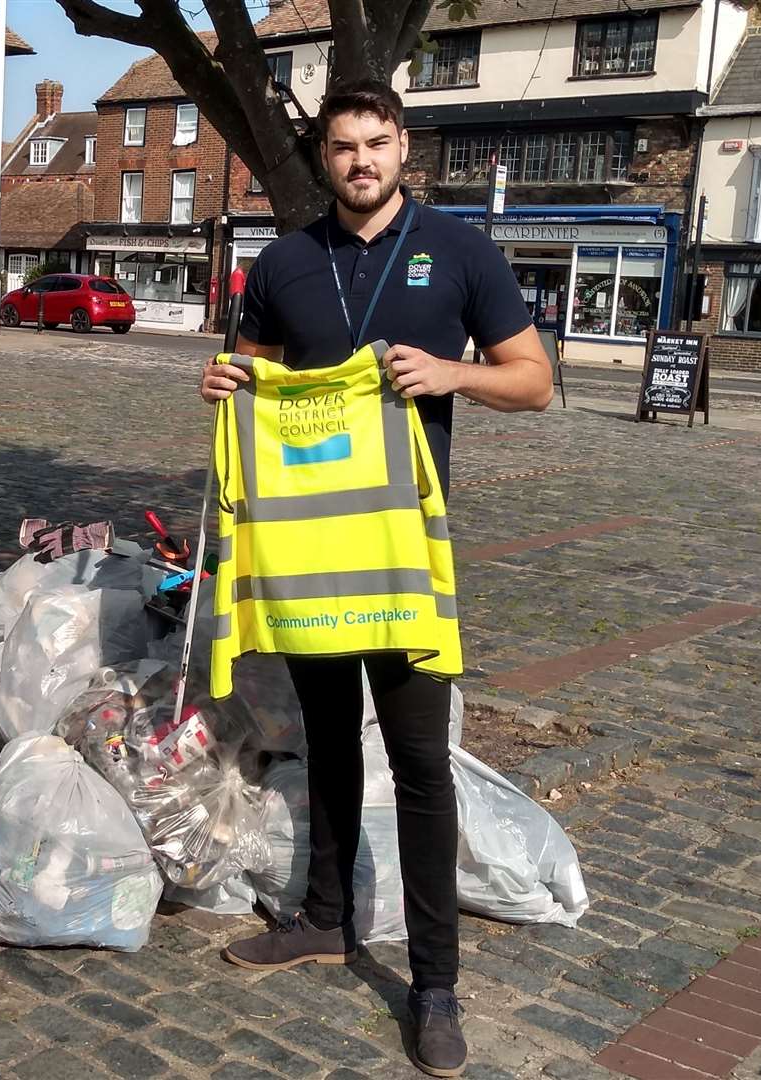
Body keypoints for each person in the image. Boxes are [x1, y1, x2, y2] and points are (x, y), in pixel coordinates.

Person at [203, 80, 550, 1079]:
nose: (361, 160)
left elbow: (533, 379)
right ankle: (325, 919)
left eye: (376, 142)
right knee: (326, 745)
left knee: (421, 764)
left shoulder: (462, 250)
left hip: (402, 561)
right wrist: (224, 382)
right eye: (343, 147)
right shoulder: (285, 261)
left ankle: (435, 985)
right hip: (312, 561)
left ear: (403, 145)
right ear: (322, 159)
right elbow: (247, 373)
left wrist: (455, 375)